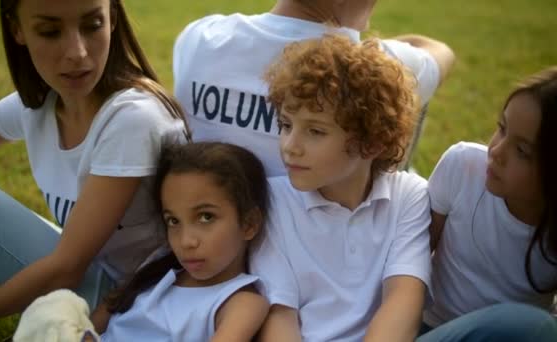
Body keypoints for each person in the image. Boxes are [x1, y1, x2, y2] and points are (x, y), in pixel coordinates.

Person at [0, 0, 189, 335]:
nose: (77, 52)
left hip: (131, 304)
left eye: (92, 25)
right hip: (95, 277)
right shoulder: (42, 103)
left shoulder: (133, 120)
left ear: (113, 19)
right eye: (50, 31)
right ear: (17, 30)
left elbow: (66, 269)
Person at [250, 33, 430, 341]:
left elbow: (403, 302)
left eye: (315, 131)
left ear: (371, 143)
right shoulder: (273, 201)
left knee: (518, 325)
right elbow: (279, 318)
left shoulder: (408, 196)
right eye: (286, 125)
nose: (290, 146)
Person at [13, 142, 270, 341]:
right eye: (173, 221)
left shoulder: (240, 302)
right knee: (57, 308)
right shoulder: (157, 270)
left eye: (205, 217)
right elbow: (93, 325)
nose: (186, 241)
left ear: (248, 224)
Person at [172, 0, 455, 176]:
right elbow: (441, 52)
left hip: (204, 235)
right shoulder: (383, 67)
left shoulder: (200, 37)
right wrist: (368, 48)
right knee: (398, 99)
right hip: (310, 244)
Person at [417, 67, 557, 341]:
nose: (497, 151)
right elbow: (413, 259)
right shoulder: (464, 166)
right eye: (502, 129)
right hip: (428, 329)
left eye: (522, 151)